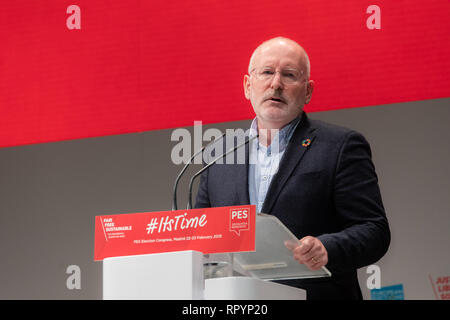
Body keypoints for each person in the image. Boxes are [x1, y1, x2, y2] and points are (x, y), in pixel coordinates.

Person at [195, 37, 390, 300]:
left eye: (289, 75)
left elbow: (373, 230)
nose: (276, 83)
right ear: (247, 85)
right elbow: (199, 237)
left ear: (308, 91)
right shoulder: (219, 155)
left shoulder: (340, 146)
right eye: (266, 72)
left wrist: (327, 248)